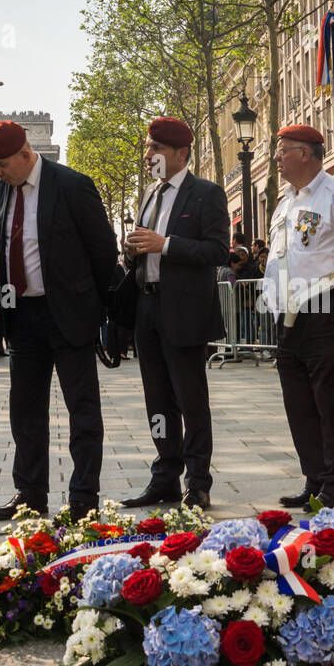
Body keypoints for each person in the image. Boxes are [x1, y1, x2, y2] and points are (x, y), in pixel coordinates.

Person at [0, 120, 119, 522]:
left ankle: (83, 496)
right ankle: (29, 493)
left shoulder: (73, 185)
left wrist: (90, 307)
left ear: (26, 154)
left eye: (2, 164)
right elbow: (7, 245)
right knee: (24, 410)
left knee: (83, 409)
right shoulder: (0, 189)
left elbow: (102, 251)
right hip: (22, 316)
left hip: (69, 315)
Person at [122, 117, 228, 510]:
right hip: (146, 306)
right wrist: (132, 250)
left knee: (190, 400)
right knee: (157, 400)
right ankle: (164, 474)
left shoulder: (206, 193)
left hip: (183, 310)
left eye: (156, 149)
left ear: (181, 155)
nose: (147, 155)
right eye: (147, 147)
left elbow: (217, 251)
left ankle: (197, 481)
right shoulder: (150, 194)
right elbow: (144, 248)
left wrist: (165, 244)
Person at [263, 124, 334, 510]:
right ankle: (315, 478)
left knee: (332, 404)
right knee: (299, 404)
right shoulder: (284, 201)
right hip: (285, 315)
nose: (276, 158)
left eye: (282, 150)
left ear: (305, 154)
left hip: (323, 309)